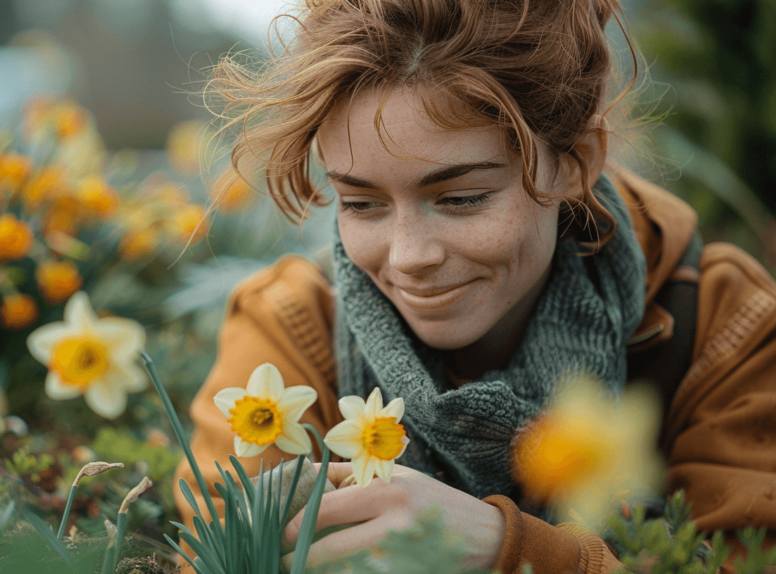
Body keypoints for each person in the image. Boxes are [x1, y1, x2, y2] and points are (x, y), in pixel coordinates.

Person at [174, 1, 776, 572]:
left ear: (575, 161)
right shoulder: (288, 334)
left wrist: (504, 550)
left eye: (462, 198)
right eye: (361, 203)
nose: (410, 258)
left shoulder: (721, 326)